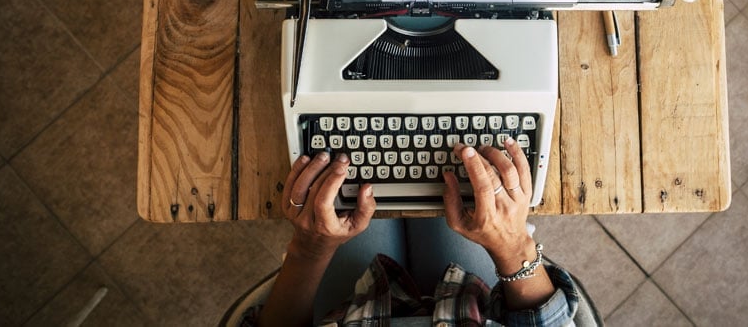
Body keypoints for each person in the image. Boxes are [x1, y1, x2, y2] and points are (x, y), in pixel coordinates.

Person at [250, 139, 600, 326]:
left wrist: (309, 250)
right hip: (469, 298)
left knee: (355, 189)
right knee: (449, 179)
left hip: (352, 300)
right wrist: (512, 246)